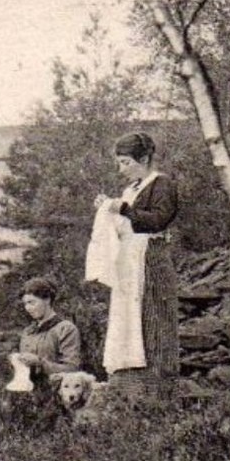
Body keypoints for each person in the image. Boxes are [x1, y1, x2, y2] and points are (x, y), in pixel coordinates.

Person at [93, 132, 180, 402]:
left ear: (144, 159)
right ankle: (131, 382)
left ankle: (157, 388)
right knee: (131, 317)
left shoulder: (161, 184)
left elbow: (158, 220)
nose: (121, 170)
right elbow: (125, 223)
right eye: (119, 163)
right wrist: (109, 210)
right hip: (131, 262)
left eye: (126, 162)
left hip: (151, 261)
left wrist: (124, 210)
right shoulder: (131, 189)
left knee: (153, 317)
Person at [0, 276, 82, 440]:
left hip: (54, 394)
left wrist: (40, 362)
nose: (28, 308)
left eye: (32, 302)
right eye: (25, 304)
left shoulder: (65, 329)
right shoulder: (28, 332)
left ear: (47, 299)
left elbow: (72, 368)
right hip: (28, 391)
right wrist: (16, 362)